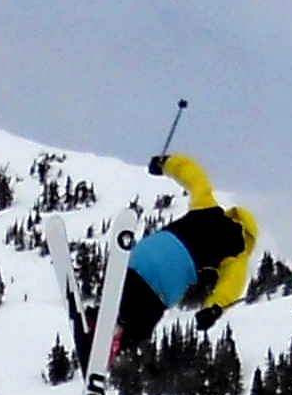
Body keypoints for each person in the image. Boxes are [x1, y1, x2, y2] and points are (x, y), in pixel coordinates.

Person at [110, 154, 260, 361]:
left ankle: (99, 322)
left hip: (141, 256)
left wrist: (166, 164)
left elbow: (194, 176)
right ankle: (117, 341)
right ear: (250, 239)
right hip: (164, 280)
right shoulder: (237, 253)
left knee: (118, 298)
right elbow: (230, 288)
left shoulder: (208, 208)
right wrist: (213, 310)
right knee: (139, 329)